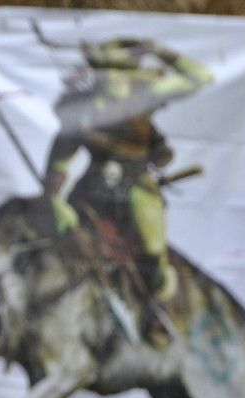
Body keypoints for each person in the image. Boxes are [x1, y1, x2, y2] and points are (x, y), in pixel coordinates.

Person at [42, 37, 212, 302]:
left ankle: (153, 310)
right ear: (99, 73)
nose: (119, 77)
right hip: (91, 192)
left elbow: (200, 77)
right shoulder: (80, 112)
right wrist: (55, 201)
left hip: (137, 187)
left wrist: (159, 49)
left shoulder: (143, 98)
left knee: (153, 249)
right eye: (111, 69)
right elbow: (58, 162)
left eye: (126, 69)